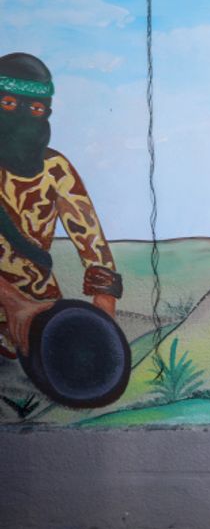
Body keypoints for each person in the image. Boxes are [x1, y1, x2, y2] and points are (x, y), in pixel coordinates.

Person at [0, 52, 121, 358]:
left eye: (37, 109)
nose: (24, 117)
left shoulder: (55, 168)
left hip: (43, 313)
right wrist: (13, 303)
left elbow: (91, 239)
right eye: (9, 104)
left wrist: (104, 310)